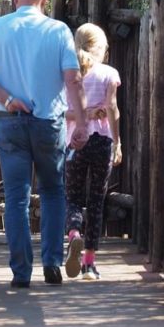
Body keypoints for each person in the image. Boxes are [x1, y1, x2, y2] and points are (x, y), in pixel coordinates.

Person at [0, 0, 89, 288]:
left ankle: (21, 272)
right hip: (47, 122)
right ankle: (52, 262)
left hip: (8, 120)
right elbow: (73, 79)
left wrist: (9, 99)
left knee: (16, 197)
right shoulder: (57, 31)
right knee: (53, 192)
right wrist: (81, 123)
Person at [63, 23, 122, 281]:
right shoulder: (109, 73)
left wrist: (81, 115)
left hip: (74, 142)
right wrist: (117, 142)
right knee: (97, 199)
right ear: (101, 47)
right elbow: (112, 108)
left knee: (73, 197)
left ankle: (74, 234)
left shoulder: (68, 74)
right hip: (102, 141)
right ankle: (89, 264)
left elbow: (61, 112)